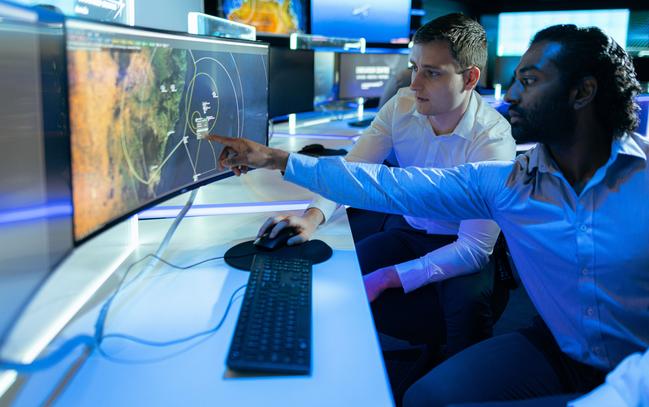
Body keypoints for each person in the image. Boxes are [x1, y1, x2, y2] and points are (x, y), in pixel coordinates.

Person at [209, 24, 649, 406]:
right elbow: (383, 183)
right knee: (422, 397)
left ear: (582, 92)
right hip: (560, 347)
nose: (511, 94)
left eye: (529, 81)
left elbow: (474, 250)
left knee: (465, 307)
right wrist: (275, 158)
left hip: (638, 371)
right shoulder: (508, 183)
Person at [257, 13, 515, 352]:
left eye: (432, 73)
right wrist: (311, 218)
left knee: (465, 312)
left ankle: (456, 383)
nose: (415, 84)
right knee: (341, 270)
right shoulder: (402, 106)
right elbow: (353, 171)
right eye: (414, 68)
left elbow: (473, 250)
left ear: (470, 79)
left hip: (462, 242)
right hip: (410, 231)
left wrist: (389, 277)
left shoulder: (493, 140)